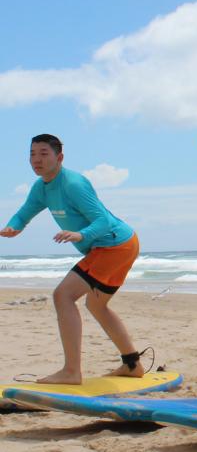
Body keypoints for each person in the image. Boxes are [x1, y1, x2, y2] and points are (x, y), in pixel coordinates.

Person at [1, 134, 146, 384]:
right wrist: (14, 227)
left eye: (44, 154)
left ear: (60, 157)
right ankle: (132, 363)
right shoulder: (41, 187)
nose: (37, 159)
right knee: (96, 305)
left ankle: (71, 371)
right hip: (123, 243)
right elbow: (25, 212)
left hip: (113, 244)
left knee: (63, 295)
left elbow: (101, 219)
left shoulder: (73, 184)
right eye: (32, 154)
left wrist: (80, 234)